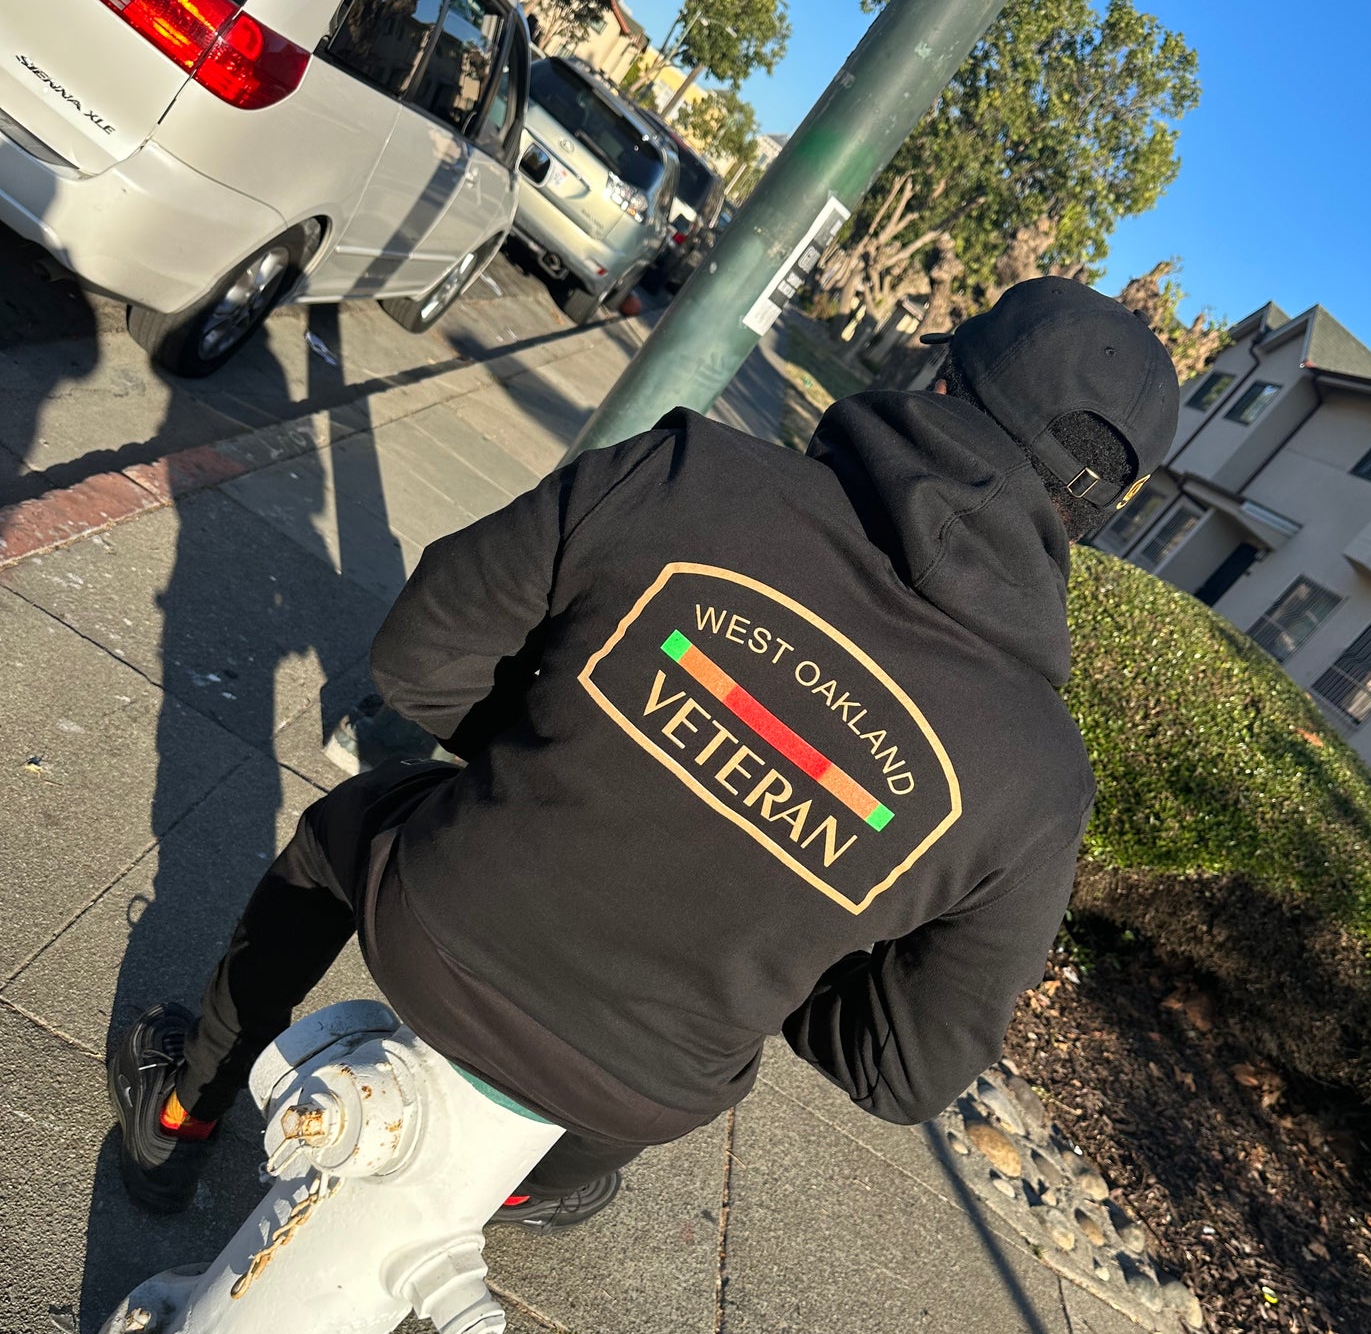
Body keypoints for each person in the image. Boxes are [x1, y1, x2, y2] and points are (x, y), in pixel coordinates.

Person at [107, 277, 1178, 1221]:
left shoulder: (687, 471)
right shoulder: (1041, 779)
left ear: (938, 380)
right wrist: (785, 917)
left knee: (336, 837)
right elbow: (902, 1070)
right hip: (632, 1091)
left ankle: (184, 1106)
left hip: (432, 921)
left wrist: (553, 750)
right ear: (1085, 516)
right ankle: (516, 1190)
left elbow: (418, 654)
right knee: (633, 1117)